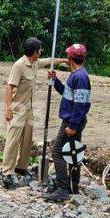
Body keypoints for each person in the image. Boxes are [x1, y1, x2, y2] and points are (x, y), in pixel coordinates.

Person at [2, 38, 65, 189]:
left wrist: (64, 60)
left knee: (27, 139)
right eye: (40, 50)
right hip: (18, 109)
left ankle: (21, 167)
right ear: (34, 52)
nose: (41, 53)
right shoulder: (19, 65)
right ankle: (7, 173)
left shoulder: (35, 63)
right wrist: (9, 109)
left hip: (29, 108)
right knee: (13, 140)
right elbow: (9, 88)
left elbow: (49, 60)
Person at [45, 43, 91, 202]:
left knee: (57, 151)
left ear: (70, 58)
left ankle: (63, 188)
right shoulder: (78, 74)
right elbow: (68, 94)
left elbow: (80, 104)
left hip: (72, 120)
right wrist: (55, 81)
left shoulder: (79, 77)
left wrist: (72, 126)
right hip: (74, 119)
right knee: (74, 151)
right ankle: (73, 185)